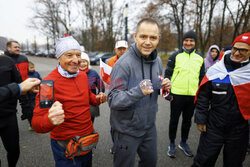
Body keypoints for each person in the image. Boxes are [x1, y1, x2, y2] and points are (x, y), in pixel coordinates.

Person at [31, 36, 107, 167]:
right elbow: (36, 123)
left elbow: (88, 97)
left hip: (87, 139)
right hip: (65, 145)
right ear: (59, 57)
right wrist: (50, 119)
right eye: (69, 55)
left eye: (78, 55)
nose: (75, 60)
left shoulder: (82, 75)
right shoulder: (48, 84)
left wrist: (97, 99)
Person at [108, 18, 171, 167]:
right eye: (143, 37)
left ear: (158, 39)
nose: (148, 42)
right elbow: (113, 99)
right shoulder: (122, 64)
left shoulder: (157, 61)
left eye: (153, 38)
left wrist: (164, 87)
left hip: (149, 127)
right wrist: (138, 91)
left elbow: (155, 88)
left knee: (150, 163)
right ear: (135, 36)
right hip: (126, 131)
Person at [192, 33, 250, 167]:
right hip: (213, 126)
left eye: (243, 50)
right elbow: (203, 96)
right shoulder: (216, 69)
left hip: (239, 129)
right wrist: (200, 118)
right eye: (235, 48)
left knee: (234, 164)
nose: (237, 53)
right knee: (203, 162)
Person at [164, 30, 205, 158]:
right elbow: (167, 76)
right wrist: (167, 94)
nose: (188, 43)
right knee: (174, 121)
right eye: (186, 40)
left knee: (187, 121)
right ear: (183, 41)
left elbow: (202, 78)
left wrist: (200, 96)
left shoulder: (200, 58)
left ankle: (183, 142)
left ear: (194, 42)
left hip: (192, 96)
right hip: (176, 95)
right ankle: (171, 143)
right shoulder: (175, 56)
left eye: (191, 41)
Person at [0, 55, 40, 167]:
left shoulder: (6, 61)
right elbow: (19, 87)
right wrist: (17, 88)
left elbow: (20, 84)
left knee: (14, 150)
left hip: (8, 115)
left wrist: (26, 108)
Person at [4, 40, 33, 122]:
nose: (18, 49)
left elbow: (28, 72)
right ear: (8, 48)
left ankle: (32, 123)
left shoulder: (24, 58)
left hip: (25, 87)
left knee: (29, 108)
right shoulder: (4, 60)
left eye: (18, 47)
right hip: (11, 89)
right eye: (15, 47)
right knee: (10, 111)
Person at [78, 52, 105, 123]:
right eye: (80, 62)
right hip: (78, 105)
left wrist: (100, 94)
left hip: (91, 104)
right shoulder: (74, 73)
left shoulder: (93, 73)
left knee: (90, 124)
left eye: (84, 62)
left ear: (88, 62)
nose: (82, 64)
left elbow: (100, 85)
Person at [27, 61, 42, 130]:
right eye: (31, 68)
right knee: (31, 110)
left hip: (37, 95)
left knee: (38, 109)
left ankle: (38, 122)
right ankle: (32, 124)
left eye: (33, 67)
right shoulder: (26, 75)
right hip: (30, 96)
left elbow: (41, 80)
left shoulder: (36, 73)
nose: (32, 69)